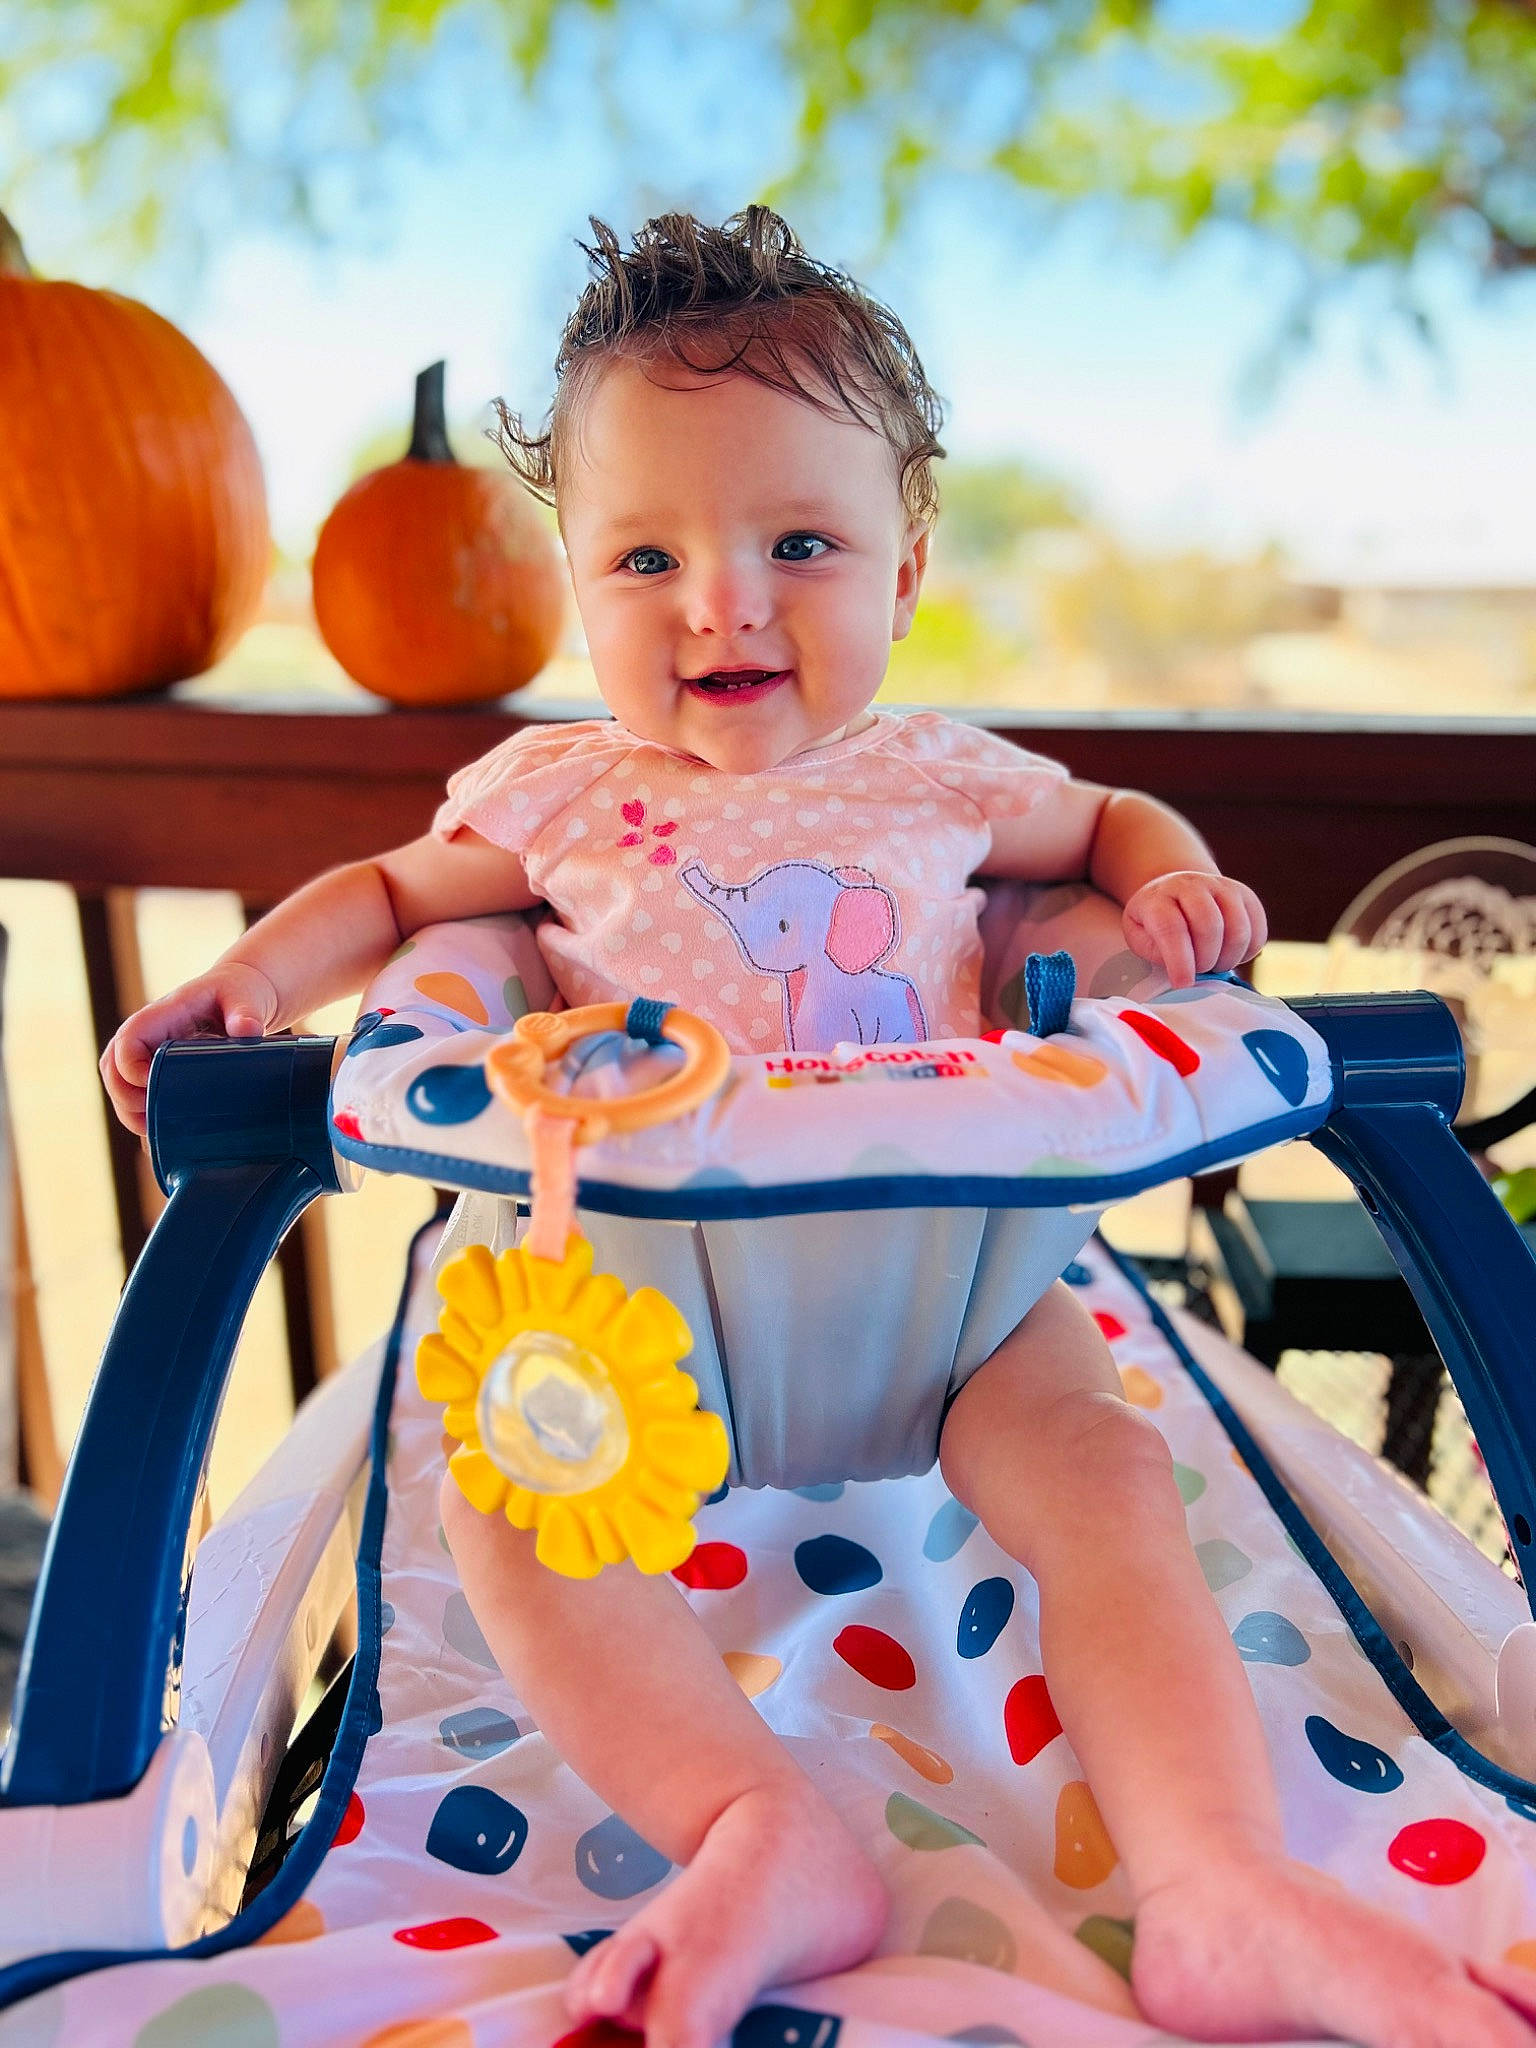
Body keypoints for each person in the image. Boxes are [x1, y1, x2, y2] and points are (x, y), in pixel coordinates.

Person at [101, 209, 1533, 2048]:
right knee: (510, 1507)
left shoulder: (936, 774)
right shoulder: (556, 792)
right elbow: (390, 891)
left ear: (908, 562)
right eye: (647, 553)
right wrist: (252, 987)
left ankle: (1217, 1885)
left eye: (799, 542)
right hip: (635, 1311)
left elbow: (1110, 823)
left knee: (1103, 1476)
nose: (726, 600)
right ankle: (761, 1827)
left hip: (955, 1297)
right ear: (570, 576)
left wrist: (1180, 893)